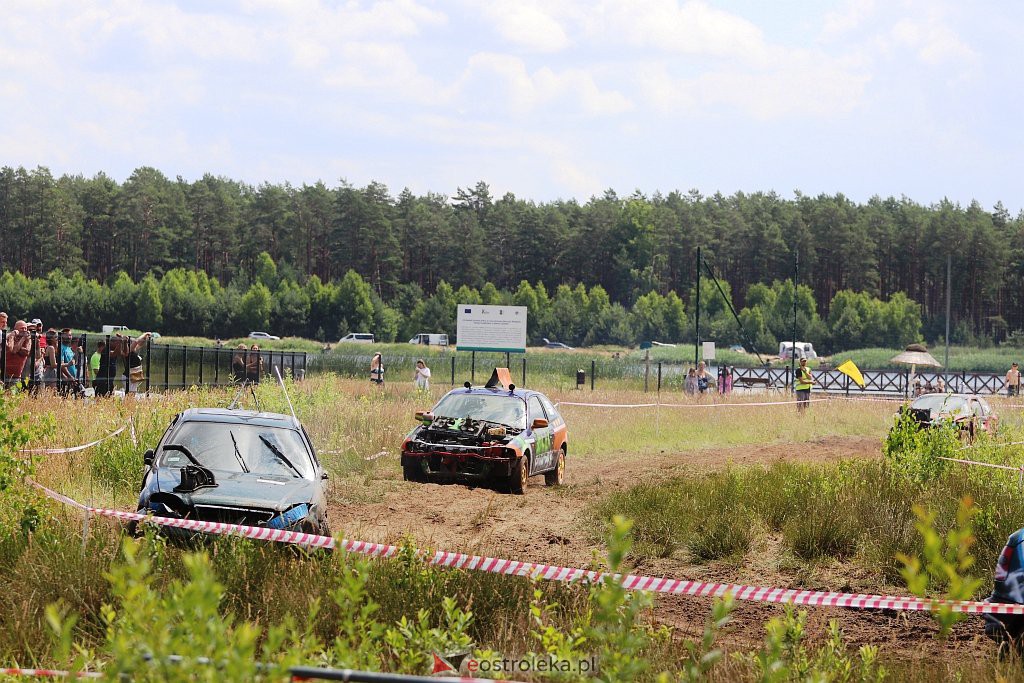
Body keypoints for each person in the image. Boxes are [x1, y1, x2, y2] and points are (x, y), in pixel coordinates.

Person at [3, 321, 32, 390]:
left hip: (16, 376)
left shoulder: (27, 340)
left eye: (26, 328)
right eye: (22, 328)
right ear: (15, 329)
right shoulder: (10, 337)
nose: (24, 330)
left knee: (13, 397)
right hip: (3, 374)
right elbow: (13, 350)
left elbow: (26, 352)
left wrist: (22, 339)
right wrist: (17, 346)